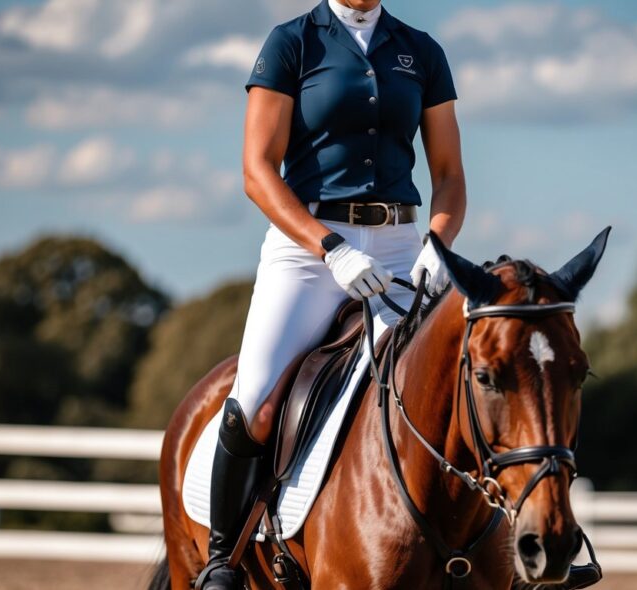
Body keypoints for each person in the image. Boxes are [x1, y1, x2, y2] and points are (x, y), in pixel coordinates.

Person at [199, 0, 466, 587]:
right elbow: (257, 170)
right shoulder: (292, 42)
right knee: (258, 400)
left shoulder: (420, 50)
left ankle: (515, 538)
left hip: (402, 247)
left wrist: (436, 249)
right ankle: (222, 558)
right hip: (307, 249)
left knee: (459, 380)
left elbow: (449, 177)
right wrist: (331, 248)